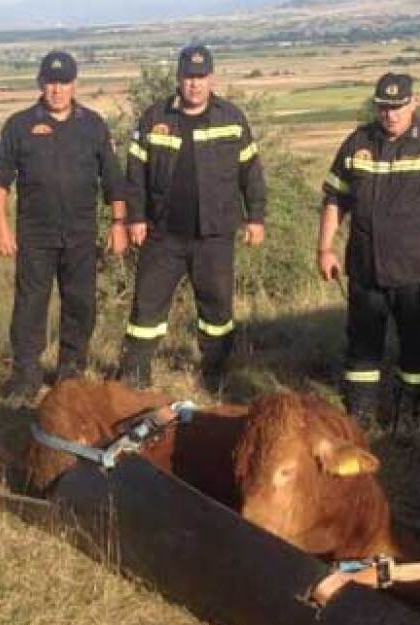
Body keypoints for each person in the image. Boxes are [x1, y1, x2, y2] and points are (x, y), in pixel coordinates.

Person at [318, 72, 420, 441]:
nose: (390, 114)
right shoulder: (357, 142)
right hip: (365, 270)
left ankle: (410, 415)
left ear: (413, 103)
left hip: (417, 272)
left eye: (397, 107)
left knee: (416, 348)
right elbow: (335, 198)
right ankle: (360, 416)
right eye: (383, 107)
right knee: (362, 349)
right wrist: (325, 248)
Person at [116, 44, 267, 393]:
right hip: (162, 234)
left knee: (216, 308)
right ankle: (135, 374)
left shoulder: (231, 118)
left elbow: (251, 172)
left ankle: (214, 373)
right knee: (147, 306)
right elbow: (134, 173)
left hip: (214, 235)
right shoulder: (155, 118)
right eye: (188, 77)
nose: (194, 84)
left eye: (200, 77)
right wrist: (135, 218)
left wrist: (255, 216)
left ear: (211, 78)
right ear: (178, 78)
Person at [0, 50, 127, 408]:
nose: (57, 90)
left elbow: (113, 179)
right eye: (51, 82)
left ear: (74, 84)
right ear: (40, 84)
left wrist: (119, 223)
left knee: (80, 305)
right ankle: (26, 378)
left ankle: (70, 374)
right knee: (30, 307)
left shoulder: (93, 125)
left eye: (64, 83)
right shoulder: (18, 125)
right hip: (35, 235)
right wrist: (1, 226)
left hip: (81, 234)